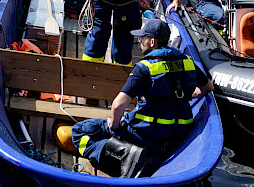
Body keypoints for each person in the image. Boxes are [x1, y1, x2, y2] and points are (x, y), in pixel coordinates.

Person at [64, 17, 212, 175]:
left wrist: (114, 126)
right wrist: (189, 94)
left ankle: (123, 157)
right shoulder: (187, 61)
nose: (139, 40)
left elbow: (118, 105)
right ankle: (134, 156)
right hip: (179, 133)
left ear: (153, 42)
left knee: (80, 130)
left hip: (147, 134)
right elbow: (207, 87)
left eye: (143, 37)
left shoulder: (144, 68)